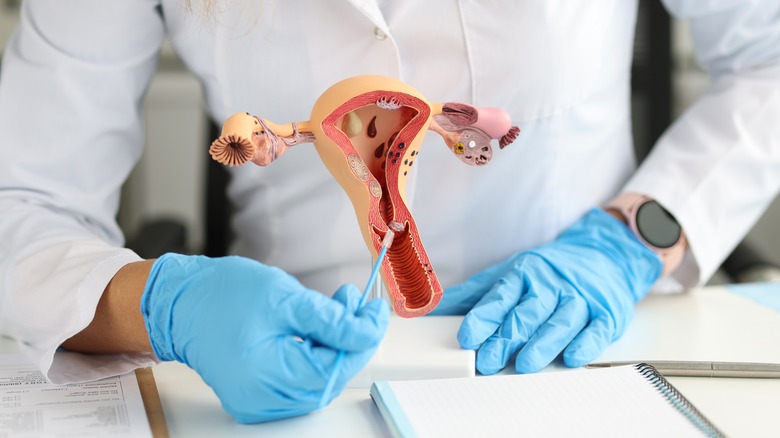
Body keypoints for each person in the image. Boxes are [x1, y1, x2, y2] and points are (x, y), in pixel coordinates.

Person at [1, 0, 779, 424]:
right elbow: (27, 198)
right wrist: (167, 306)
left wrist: (632, 239)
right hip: (289, 382)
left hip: (578, 357)